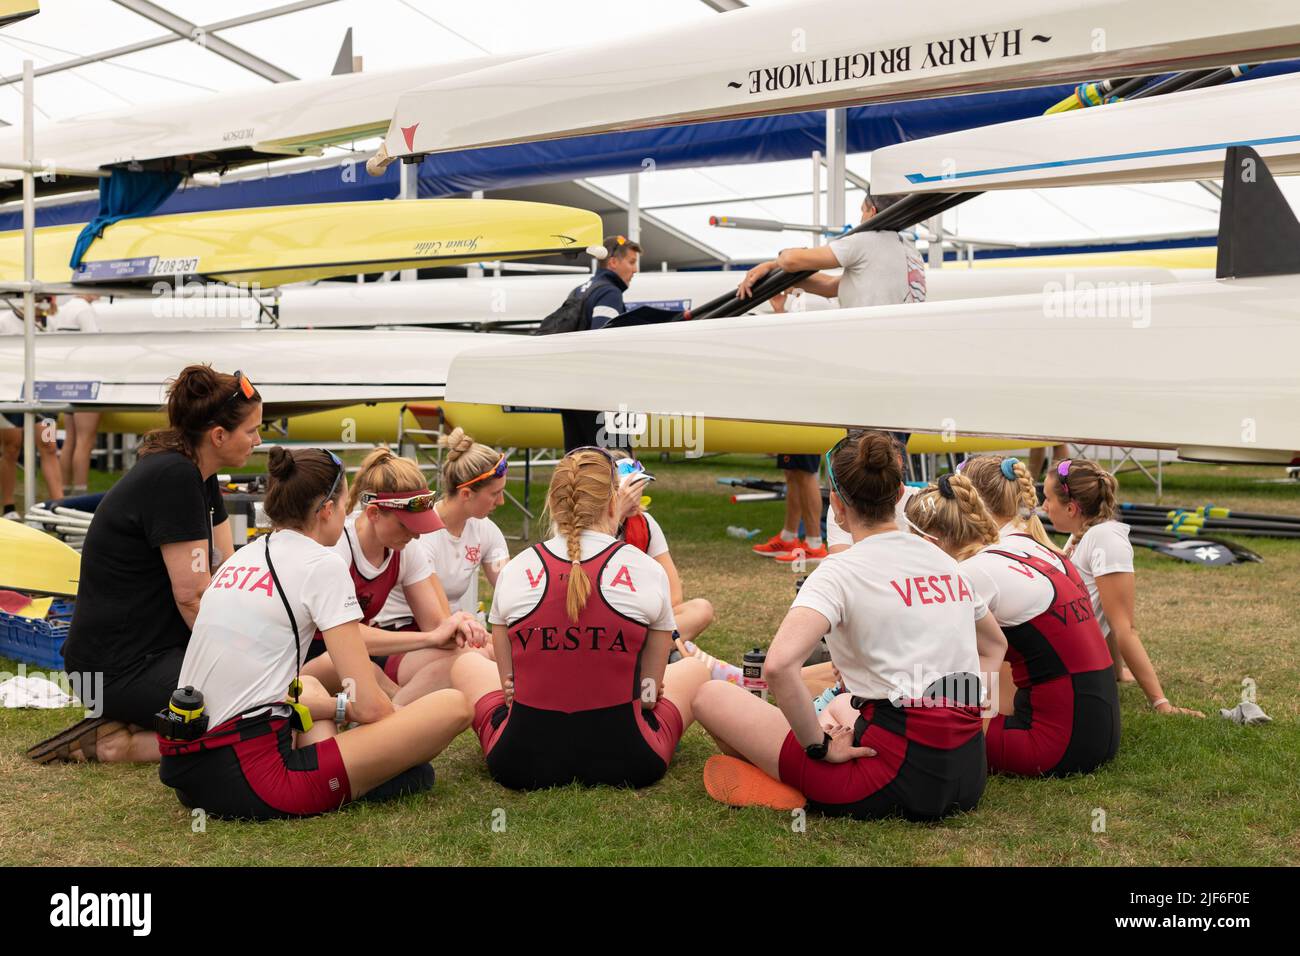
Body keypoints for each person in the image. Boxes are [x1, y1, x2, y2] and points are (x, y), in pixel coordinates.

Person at [694, 431, 1005, 821]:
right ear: (897, 497)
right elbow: (995, 646)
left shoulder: (839, 571)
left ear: (837, 506)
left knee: (710, 696)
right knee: (841, 703)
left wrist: (819, 747)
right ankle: (801, 766)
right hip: (967, 774)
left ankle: (796, 781)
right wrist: (975, 724)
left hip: (890, 781)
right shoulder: (940, 556)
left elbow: (778, 666)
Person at [157, 446, 474, 820]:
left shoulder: (244, 555)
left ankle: (350, 764)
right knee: (454, 707)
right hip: (255, 779)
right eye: (343, 506)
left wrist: (351, 715)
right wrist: (403, 727)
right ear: (326, 509)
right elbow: (371, 706)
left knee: (306, 687)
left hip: (188, 766)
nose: (345, 515)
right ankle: (353, 775)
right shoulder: (322, 563)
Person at [449, 446, 711, 790]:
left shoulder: (516, 569)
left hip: (519, 761)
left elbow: (510, 692)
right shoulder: (645, 568)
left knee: (466, 665)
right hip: (631, 759)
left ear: (554, 504)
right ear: (613, 502)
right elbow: (648, 697)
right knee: (694, 669)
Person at [42, 366, 261, 763]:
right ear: (218, 436)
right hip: (116, 669)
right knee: (250, 702)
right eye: (251, 431)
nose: (258, 440)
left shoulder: (196, 469)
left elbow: (227, 566)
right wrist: (244, 655)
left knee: (257, 682)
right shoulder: (175, 477)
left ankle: (139, 720)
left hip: (147, 655)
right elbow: (194, 595)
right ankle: (118, 745)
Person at [745, 193, 925, 563]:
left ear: (871, 211)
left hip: (869, 378)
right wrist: (780, 273)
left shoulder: (867, 238)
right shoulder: (908, 252)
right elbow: (831, 286)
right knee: (891, 468)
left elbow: (796, 258)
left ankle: (874, 557)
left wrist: (772, 263)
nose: (859, 217)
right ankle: (896, 551)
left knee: (866, 469)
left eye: (861, 210)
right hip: (901, 376)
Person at [904, 471, 1121, 777]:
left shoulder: (972, 573)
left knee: (899, 709)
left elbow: (923, 663)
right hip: (1098, 730)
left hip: (1055, 746)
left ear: (929, 542)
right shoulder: (1030, 546)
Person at [301, 447, 480, 705]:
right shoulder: (338, 546)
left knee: (463, 656)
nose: (416, 535)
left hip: (357, 653)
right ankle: (392, 714)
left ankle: (392, 715)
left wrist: (459, 627)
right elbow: (347, 636)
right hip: (309, 661)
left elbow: (436, 627)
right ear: (373, 513)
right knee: (362, 670)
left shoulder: (405, 549)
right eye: (406, 525)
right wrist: (432, 637)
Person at [1042, 458, 1204, 717]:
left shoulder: (1106, 540)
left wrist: (1162, 704)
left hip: (1062, 665)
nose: (1044, 506)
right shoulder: (1082, 533)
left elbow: (1123, 627)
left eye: (1048, 499)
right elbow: (1101, 610)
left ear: (1072, 508)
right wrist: (1116, 673)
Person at [373, 429, 509, 676]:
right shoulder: (422, 534)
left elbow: (510, 588)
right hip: (404, 634)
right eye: (495, 494)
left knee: (503, 652)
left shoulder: (486, 530)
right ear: (466, 494)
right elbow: (438, 621)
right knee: (480, 658)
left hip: (448, 629)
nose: (501, 502)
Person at [557, 235, 642, 451]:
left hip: (571, 393)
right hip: (601, 397)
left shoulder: (579, 290)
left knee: (578, 465)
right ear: (613, 262)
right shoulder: (609, 293)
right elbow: (601, 339)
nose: (635, 270)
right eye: (631, 262)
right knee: (618, 464)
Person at [52, 294, 103, 494]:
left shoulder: (65, 309)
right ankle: (80, 493)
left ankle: (63, 491)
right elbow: (96, 346)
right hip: (86, 380)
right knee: (85, 441)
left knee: (71, 440)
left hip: (68, 380)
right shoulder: (84, 309)